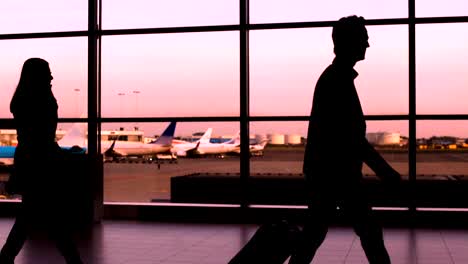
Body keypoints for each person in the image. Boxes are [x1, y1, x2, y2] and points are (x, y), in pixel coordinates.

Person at [289, 16, 401, 264]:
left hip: (330, 175)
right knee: (367, 233)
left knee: (316, 235)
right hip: (338, 175)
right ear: (350, 42)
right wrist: (386, 172)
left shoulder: (334, 78)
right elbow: (353, 139)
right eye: (364, 38)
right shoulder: (337, 82)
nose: (368, 44)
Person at [0, 58, 83, 264]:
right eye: (47, 72)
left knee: (32, 216)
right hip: (42, 161)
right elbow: (42, 135)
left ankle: (6, 256)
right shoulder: (42, 100)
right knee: (50, 218)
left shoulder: (22, 100)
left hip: (30, 160)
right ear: (37, 76)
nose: (51, 76)